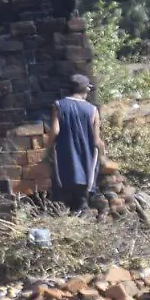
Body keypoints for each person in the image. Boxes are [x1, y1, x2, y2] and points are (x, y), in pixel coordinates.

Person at [48, 74, 105, 215]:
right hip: (87, 151)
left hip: (65, 150)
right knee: (85, 180)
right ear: (85, 90)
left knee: (66, 178)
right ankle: (82, 208)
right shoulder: (92, 110)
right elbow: (97, 139)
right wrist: (103, 155)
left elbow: (55, 131)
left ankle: (71, 208)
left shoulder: (58, 105)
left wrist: (48, 149)